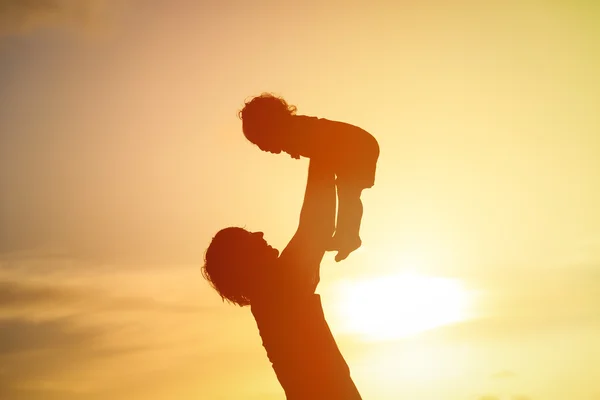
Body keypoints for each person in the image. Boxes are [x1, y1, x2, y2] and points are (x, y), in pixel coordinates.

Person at [202, 158, 363, 399]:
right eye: (247, 237)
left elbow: (316, 229)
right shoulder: (277, 289)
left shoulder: (271, 295)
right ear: (242, 261)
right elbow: (316, 225)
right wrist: (322, 152)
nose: (259, 234)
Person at [238, 93, 379, 262]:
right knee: (349, 193)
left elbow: (322, 145)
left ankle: (349, 236)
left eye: (261, 140)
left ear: (271, 127)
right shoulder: (294, 131)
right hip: (357, 146)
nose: (262, 148)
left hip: (359, 147)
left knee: (348, 192)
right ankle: (347, 235)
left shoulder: (296, 131)